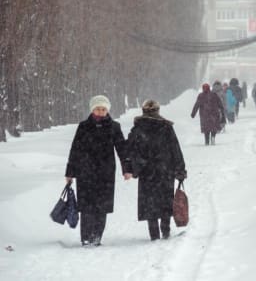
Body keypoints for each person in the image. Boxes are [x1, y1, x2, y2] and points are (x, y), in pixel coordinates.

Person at [65, 95, 130, 247]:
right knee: (87, 207)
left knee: (102, 207)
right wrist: (70, 172)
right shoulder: (83, 126)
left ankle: (96, 237)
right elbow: (75, 149)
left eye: (103, 109)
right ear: (92, 109)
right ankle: (86, 238)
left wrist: (126, 169)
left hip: (105, 173)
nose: (100, 111)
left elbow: (122, 149)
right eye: (97, 109)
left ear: (107, 110)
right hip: (85, 171)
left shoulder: (114, 127)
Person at [125, 99, 187, 241]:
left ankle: (154, 234)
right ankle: (165, 230)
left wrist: (130, 168)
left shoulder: (138, 129)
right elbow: (175, 149)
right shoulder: (166, 127)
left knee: (149, 203)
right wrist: (180, 169)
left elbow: (130, 151)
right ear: (158, 111)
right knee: (166, 201)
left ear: (143, 111)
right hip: (165, 170)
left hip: (146, 171)